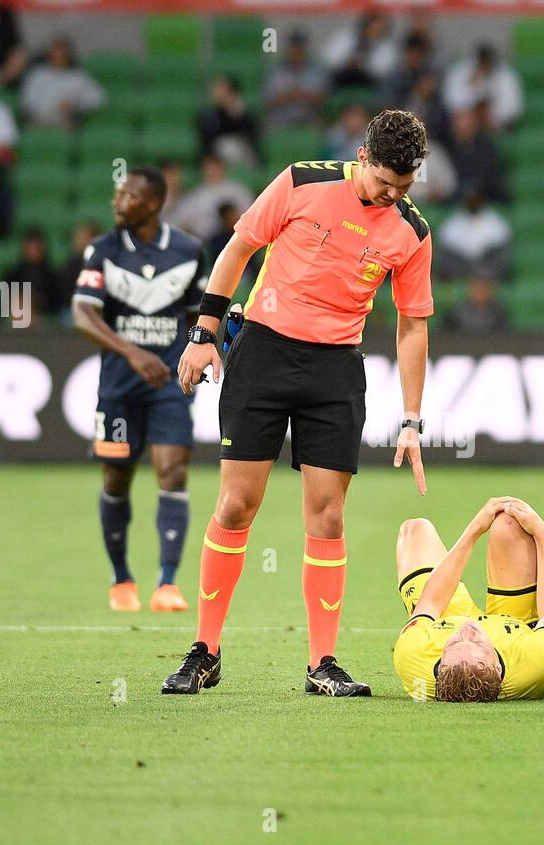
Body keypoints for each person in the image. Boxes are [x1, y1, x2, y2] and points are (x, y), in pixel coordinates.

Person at [163, 110, 434, 699]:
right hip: (262, 352)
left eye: (404, 187)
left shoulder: (411, 232)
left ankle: (323, 664)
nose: (392, 196)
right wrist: (204, 334)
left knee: (329, 516)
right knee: (236, 504)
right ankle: (205, 651)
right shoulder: (302, 181)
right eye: (385, 182)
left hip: (335, 370)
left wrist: (412, 419)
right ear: (362, 156)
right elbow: (238, 249)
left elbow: (412, 327)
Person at [70, 168, 211, 612]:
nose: (118, 202)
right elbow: (83, 314)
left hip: (170, 384)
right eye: (117, 194)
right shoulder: (103, 250)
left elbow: (199, 316)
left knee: (173, 472)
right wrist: (132, 353)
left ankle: (167, 583)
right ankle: (121, 579)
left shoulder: (189, 251)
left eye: (127, 196)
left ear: (152, 204)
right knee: (117, 478)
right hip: (118, 388)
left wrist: (197, 351)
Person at [393, 498, 544, 702]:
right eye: (477, 643)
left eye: (455, 643)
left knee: (415, 530)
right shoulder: (536, 662)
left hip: (446, 621)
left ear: (440, 666)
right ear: (496, 666)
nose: (468, 629)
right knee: (508, 524)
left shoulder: (412, 656)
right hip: (513, 627)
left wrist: (476, 528)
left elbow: (431, 602)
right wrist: (542, 535)